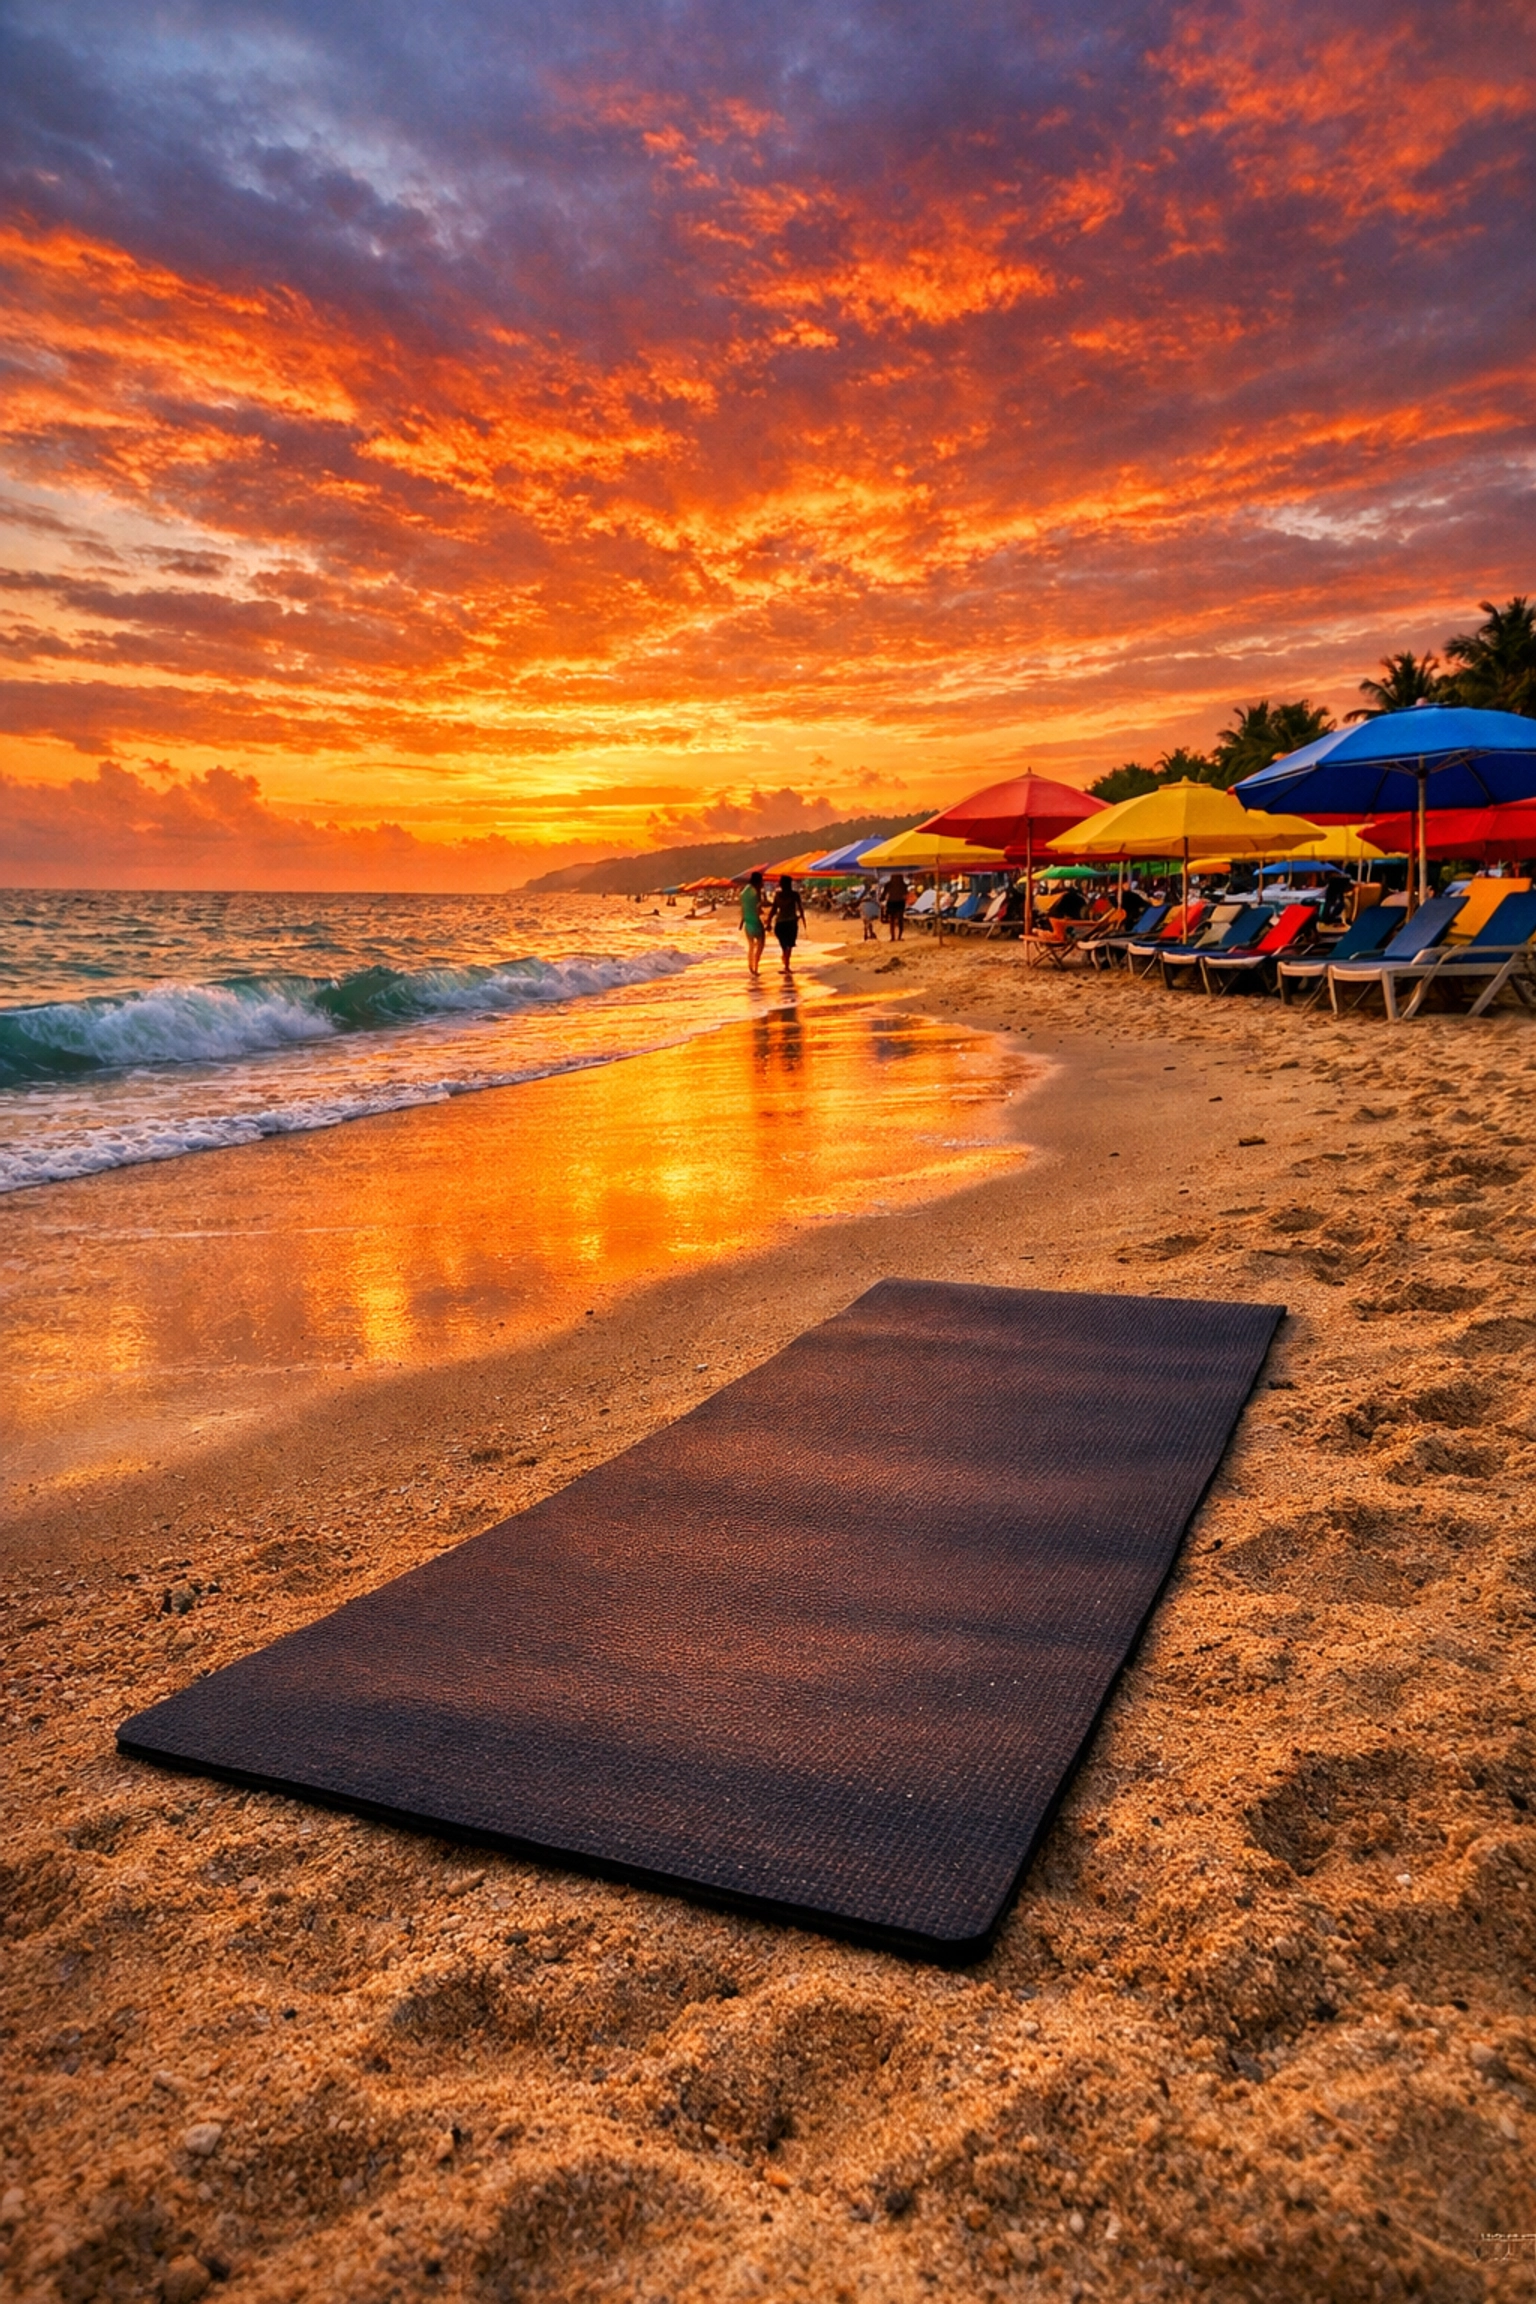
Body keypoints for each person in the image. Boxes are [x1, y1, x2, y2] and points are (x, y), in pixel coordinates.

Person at [769, 874, 807, 970]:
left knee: (784, 944)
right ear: (790, 884)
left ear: (781, 884)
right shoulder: (794, 894)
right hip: (791, 923)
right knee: (790, 944)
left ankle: (786, 961)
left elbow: (773, 910)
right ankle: (786, 964)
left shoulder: (778, 895)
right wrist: (802, 919)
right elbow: (800, 908)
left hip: (780, 923)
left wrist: (768, 921)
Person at [740, 870, 767, 977]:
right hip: (756, 922)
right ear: (758, 881)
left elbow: (743, 908)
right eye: (761, 881)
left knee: (751, 946)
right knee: (760, 944)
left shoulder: (744, 892)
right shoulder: (756, 891)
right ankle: (756, 967)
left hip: (747, 923)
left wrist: (742, 921)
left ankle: (750, 967)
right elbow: (758, 908)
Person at [884, 872, 908, 941]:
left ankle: (893, 937)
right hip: (900, 902)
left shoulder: (888, 884)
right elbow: (905, 893)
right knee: (900, 919)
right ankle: (899, 937)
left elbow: (884, 894)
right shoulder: (903, 885)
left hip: (891, 902)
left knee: (892, 920)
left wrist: (882, 899)